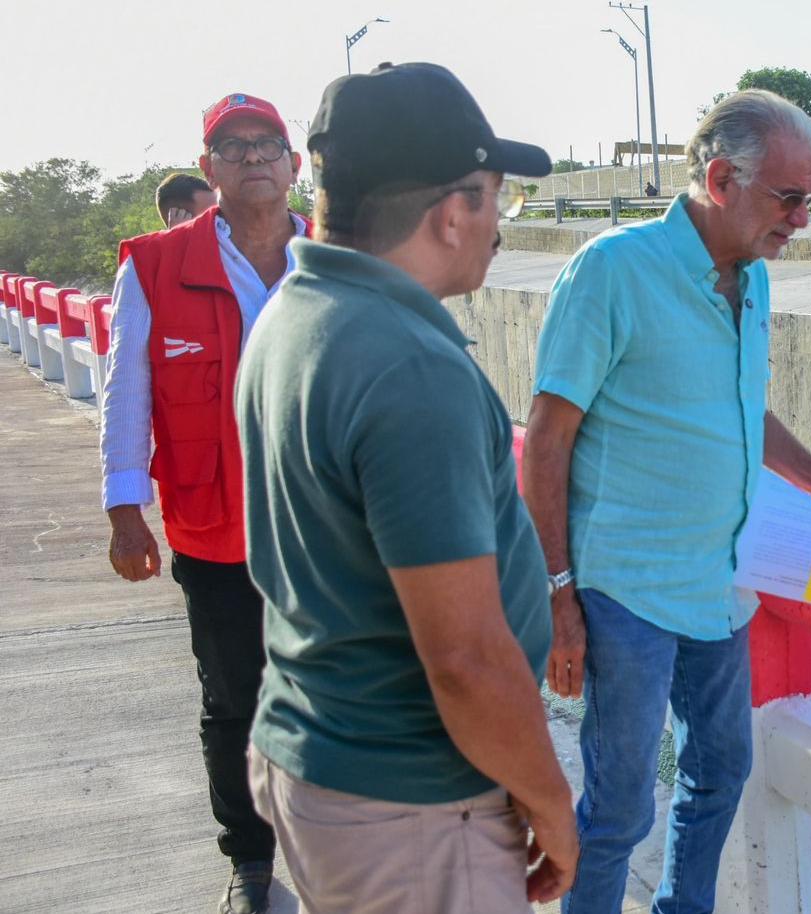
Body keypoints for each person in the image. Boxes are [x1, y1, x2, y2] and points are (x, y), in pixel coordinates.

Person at [523, 88, 811, 914]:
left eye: (810, 201)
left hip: (721, 589)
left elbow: (740, 406)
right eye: (790, 199)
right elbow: (546, 440)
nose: (802, 219)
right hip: (626, 590)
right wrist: (558, 597)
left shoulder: (752, 280)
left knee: (721, 771)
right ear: (722, 179)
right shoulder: (612, 270)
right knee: (617, 809)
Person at [236, 62, 576, 914]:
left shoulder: (294, 313)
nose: (500, 223)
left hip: (320, 757)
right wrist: (551, 801)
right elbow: (464, 657)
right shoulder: (409, 367)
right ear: (453, 210)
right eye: (501, 198)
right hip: (410, 807)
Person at [100, 91, 307, 914]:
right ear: (209, 169)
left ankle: (330, 847)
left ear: (294, 165)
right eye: (236, 148)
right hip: (214, 530)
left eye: (269, 146)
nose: (254, 159)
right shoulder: (154, 264)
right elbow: (127, 390)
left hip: (324, 533)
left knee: (338, 690)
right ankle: (251, 864)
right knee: (233, 701)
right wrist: (125, 508)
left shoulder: (335, 257)